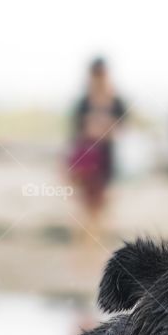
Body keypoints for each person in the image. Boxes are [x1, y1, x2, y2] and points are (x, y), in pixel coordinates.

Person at [66, 58, 127, 256]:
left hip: (106, 159)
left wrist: (102, 129)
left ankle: (93, 252)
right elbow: (75, 135)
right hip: (86, 159)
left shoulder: (116, 102)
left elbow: (122, 131)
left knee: (101, 208)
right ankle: (83, 251)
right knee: (84, 208)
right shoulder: (84, 102)